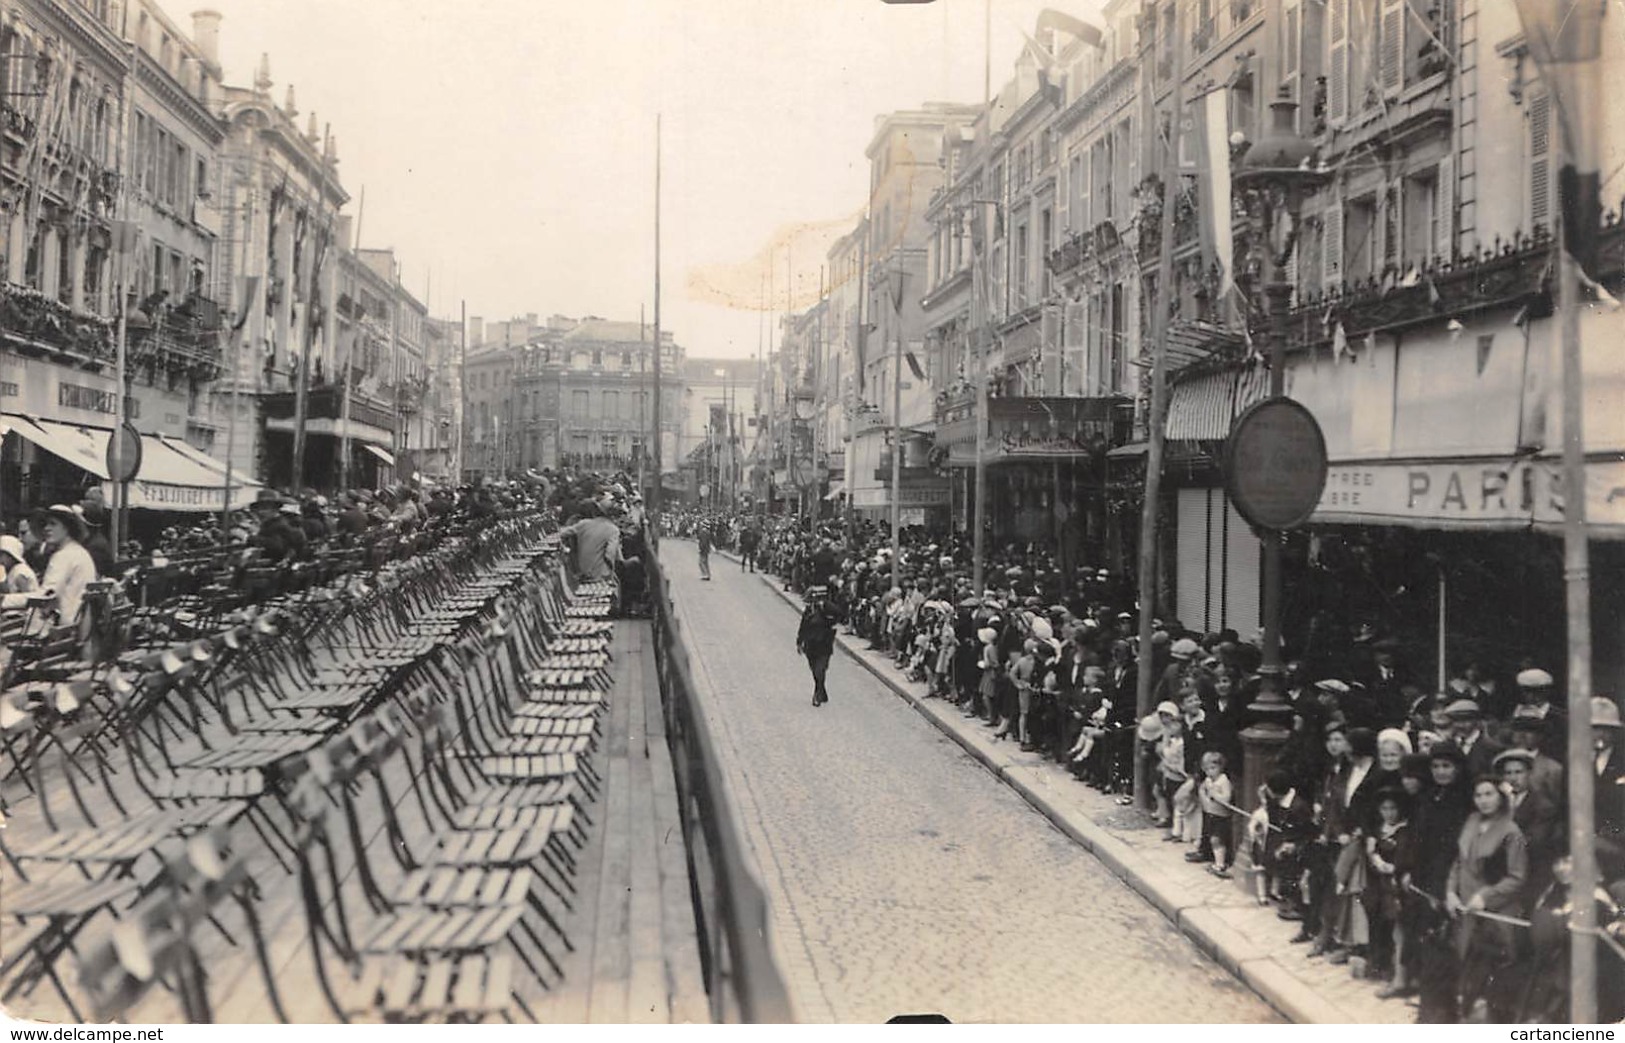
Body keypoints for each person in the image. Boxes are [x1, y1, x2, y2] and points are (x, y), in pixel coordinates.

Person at [797, 585, 837, 708]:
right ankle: (822, 690)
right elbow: (803, 626)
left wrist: (826, 610)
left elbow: (839, 616)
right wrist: (799, 642)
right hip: (810, 644)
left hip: (824, 644)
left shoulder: (827, 607)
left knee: (820, 669)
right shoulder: (808, 611)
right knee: (814, 669)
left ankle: (817, 694)